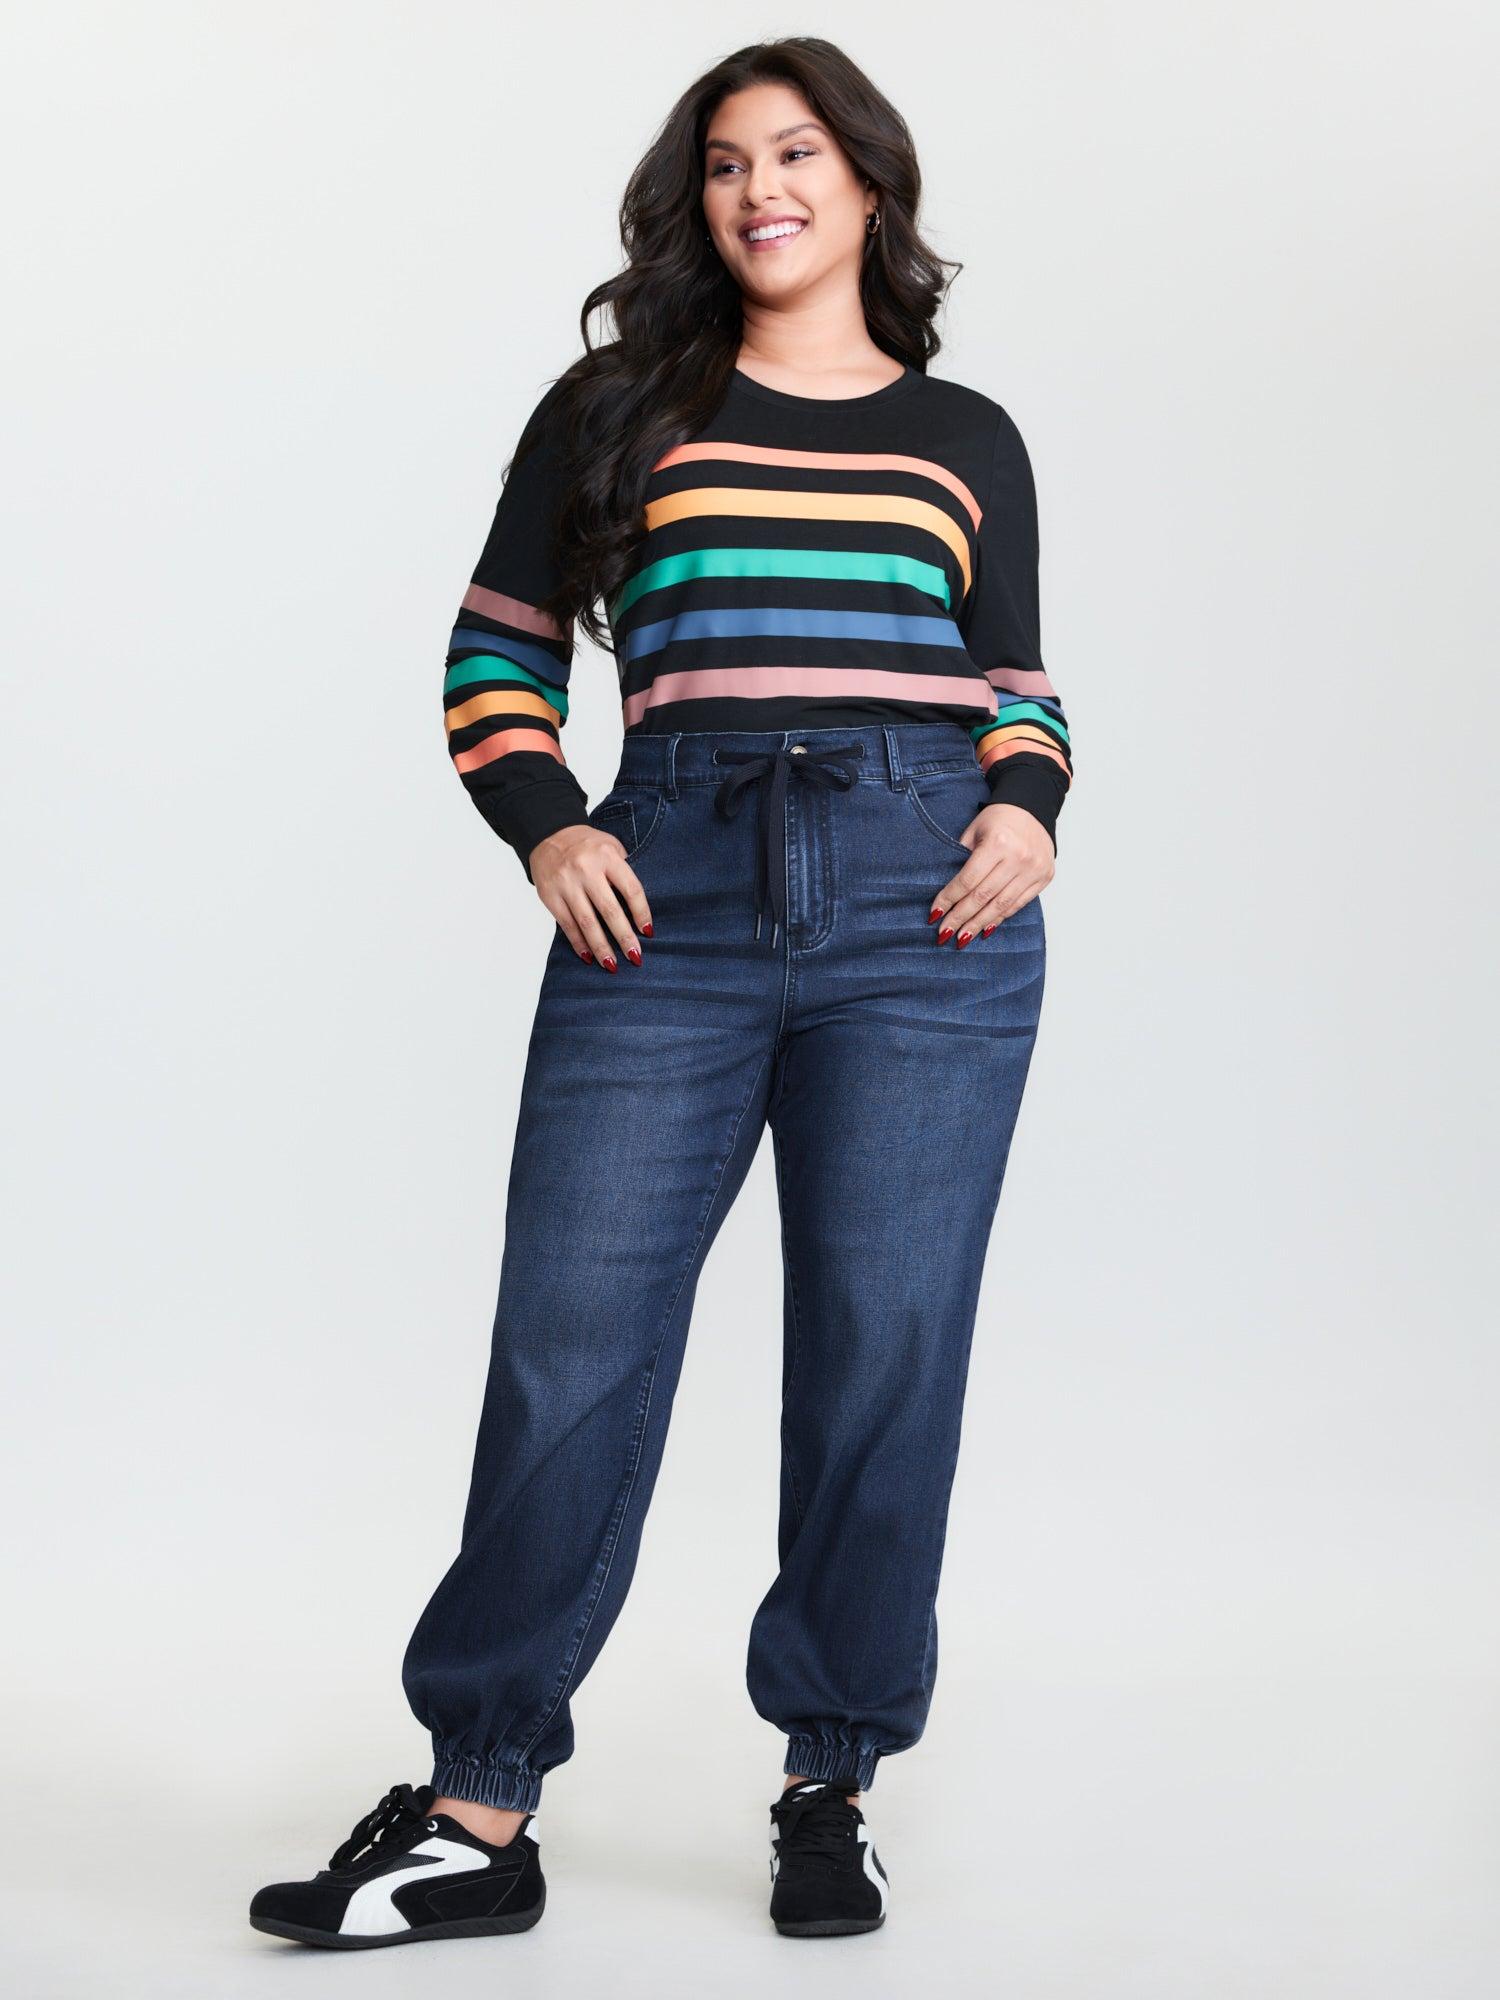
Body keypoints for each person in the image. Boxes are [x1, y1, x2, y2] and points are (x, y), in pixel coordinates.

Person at [249, 33, 1073, 1950]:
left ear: (871, 183)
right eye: (724, 162)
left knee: (885, 1350)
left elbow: (1019, 684)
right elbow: (495, 652)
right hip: (667, 900)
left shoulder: (969, 436)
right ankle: (477, 1809)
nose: (759, 187)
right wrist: (547, 826)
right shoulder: (619, 406)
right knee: (572, 1338)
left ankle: (829, 1782)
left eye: (797, 153)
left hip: (926, 916)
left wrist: (1028, 809)